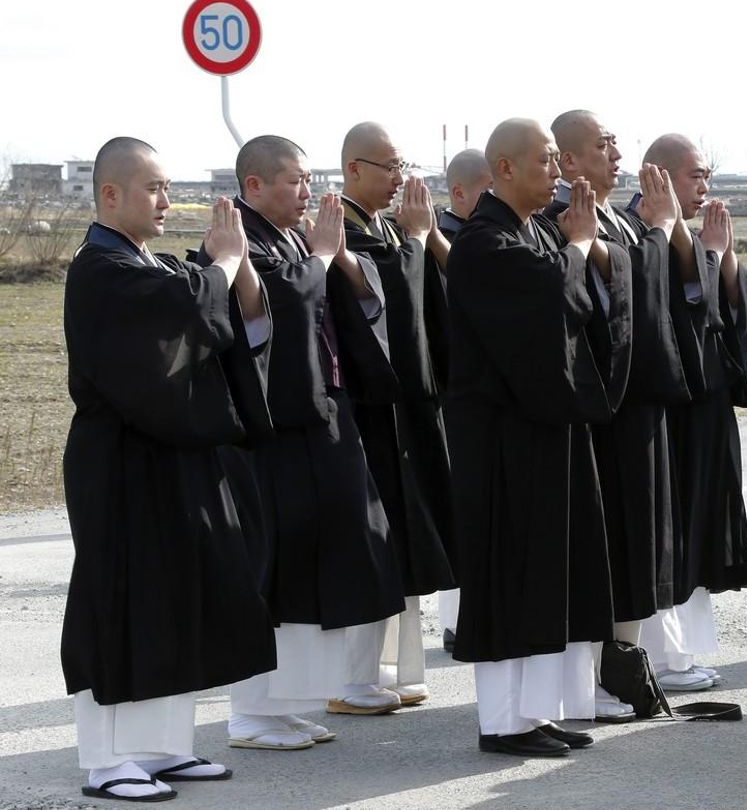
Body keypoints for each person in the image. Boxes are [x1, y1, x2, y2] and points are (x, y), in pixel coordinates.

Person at [62, 137, 276, 801]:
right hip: (119, 463)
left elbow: (198, 312)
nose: (165, 200)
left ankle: (160, 748)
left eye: (167, 186)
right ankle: (106, 760)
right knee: (120, 600)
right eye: (153, 187)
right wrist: (224, 263)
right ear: (110, 195)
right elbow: (181, 306)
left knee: (172, 596)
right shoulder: (99, 269)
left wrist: (227, 270)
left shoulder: (140, 263)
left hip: (166, 455)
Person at [209, 135, 406, 747]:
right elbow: (280, 307)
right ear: (254, 186)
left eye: (307, 178)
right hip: (274, 430)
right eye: (293, 180)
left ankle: (285, 703)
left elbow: (359, 295)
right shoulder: (237, 241)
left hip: (323, 416)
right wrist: (321, 259)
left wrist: (337, 259)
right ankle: (250, 714)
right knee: (274, 564)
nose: (306, 191)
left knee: (318, 562)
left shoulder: (295, 239)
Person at [445, 118, 632, 756]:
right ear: (504, 168)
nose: (557, 171)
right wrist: (578, 248)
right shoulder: (483, 244)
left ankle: (532, 713)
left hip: (543, 429)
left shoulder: (528, 234)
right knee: (507, 571)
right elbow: (552, 303)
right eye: (546, 160)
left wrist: (582, 248)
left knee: (547, 568)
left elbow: (584, 310)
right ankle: (501, 722)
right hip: (499, 441)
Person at [549, 110, 685, 719]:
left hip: (638, 399)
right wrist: (654, 236)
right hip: (603, 403)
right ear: (567, 162)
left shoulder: (613, 218)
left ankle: (623, 662)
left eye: (614, 143)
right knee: (608, 537)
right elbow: (601, 303)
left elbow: (660, 296)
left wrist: (660, 235)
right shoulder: (564, 221)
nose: (617, 153)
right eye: (602, 145)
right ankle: (599, 672)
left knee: (636, 534)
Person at [337, 122, 455, 709]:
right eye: (389, 167)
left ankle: (382, 669)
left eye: (404, 166)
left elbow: (440, 297)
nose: (401, 179)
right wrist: (412, 244)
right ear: (353, 169)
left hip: (404, 408)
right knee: (371, 539)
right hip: (367, 407)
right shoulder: (343, 234)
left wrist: (422, 241)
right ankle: (349, 678)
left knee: (401, 540)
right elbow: (384, 303)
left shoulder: (384, 227)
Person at [635, 133, 747, 691]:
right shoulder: (642, 233)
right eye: (694, 176)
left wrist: (727, 260)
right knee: (672, 531)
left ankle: (685, 654)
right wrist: (708, 256)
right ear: (657, 177)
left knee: (702, 523)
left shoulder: (696, 235)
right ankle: (666, 658)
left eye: (707, 175)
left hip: (707, 403)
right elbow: (674, 308)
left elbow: (725, 314)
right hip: (671, 407)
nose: (704, 187)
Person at [432, 148, 493, 654]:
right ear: (459, 193)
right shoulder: (449, 236)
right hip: (452, 387)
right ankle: (456, 615)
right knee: (462, 503)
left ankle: (461, 612)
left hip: (470, 386)